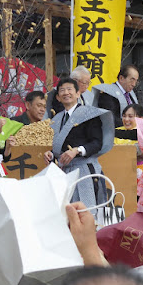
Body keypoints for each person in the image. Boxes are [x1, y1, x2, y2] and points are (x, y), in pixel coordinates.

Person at [44, 78, 114, 210]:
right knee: (65, 214)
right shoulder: (56, 119)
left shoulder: (89, 114)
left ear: (78, 93)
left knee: (86, 212)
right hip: (63, 172)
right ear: (58, 97)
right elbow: (60, 147)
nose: (66, 93)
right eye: (62, 90)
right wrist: (51, 154)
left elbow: (96, 143)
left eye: (69, 89)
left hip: (84, 169)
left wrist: (77, 150)